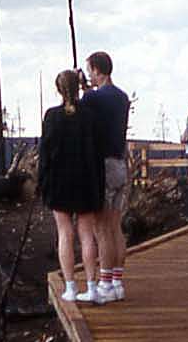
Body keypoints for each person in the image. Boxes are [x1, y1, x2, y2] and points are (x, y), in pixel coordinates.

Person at [38, 69, 106, 303]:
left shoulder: (52, 116)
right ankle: (92, 287)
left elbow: (45, 154)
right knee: (87, 235)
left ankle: (70, 287)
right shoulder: (90, 116)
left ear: (58, 89)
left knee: (65, 233)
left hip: (59, 183)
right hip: (86, 182)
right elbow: (98, 153)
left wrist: (43, 183)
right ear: (78, 88)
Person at [81, 51, 131, 303]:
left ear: (98, 70)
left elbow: (83, 112)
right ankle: (117, 281)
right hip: (121, 163)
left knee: (101, 228)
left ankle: (105, 283)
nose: (89, 75)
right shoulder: (122, 98)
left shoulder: (92, 97)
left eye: (90, 70)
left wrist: (82, 89)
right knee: (115, 227)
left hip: (104, 166)